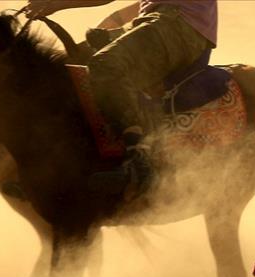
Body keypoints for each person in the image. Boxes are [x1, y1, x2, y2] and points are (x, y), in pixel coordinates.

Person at [23, 0, 218, 200]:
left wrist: (56, 4)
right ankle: (62, 164)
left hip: (178, 23)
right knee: (77, 62)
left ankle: (140, 159)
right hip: (164, 21)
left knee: (105, 66)